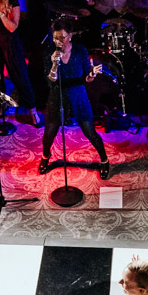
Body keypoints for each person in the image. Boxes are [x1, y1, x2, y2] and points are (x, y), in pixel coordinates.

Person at [39, 20, 111, 178]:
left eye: (62, 38)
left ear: (70, 36)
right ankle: (45, 157)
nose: (59, 42)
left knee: (89, 131)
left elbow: (86, 77)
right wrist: (54, 64)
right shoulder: (49, 52)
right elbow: (50, 80)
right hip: (57, 93)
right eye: (56, 38)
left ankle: (104, 160)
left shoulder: (80, 50)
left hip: (78, 93)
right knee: (49, 132)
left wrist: (91, 75)